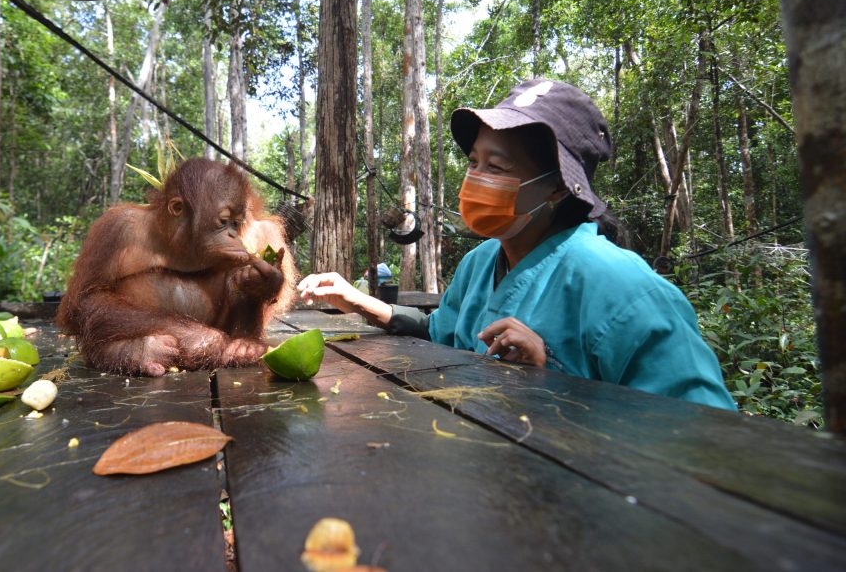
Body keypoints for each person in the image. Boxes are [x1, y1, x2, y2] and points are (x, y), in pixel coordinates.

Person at [298, 79, 736, 411]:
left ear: (559, 189)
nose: (475, 179)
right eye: (474, 162)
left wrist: (551, 382)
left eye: (498, 167)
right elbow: (441, 332)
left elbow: (702, 433)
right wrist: (358, 301)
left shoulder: (626, 291)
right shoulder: (480, 262)